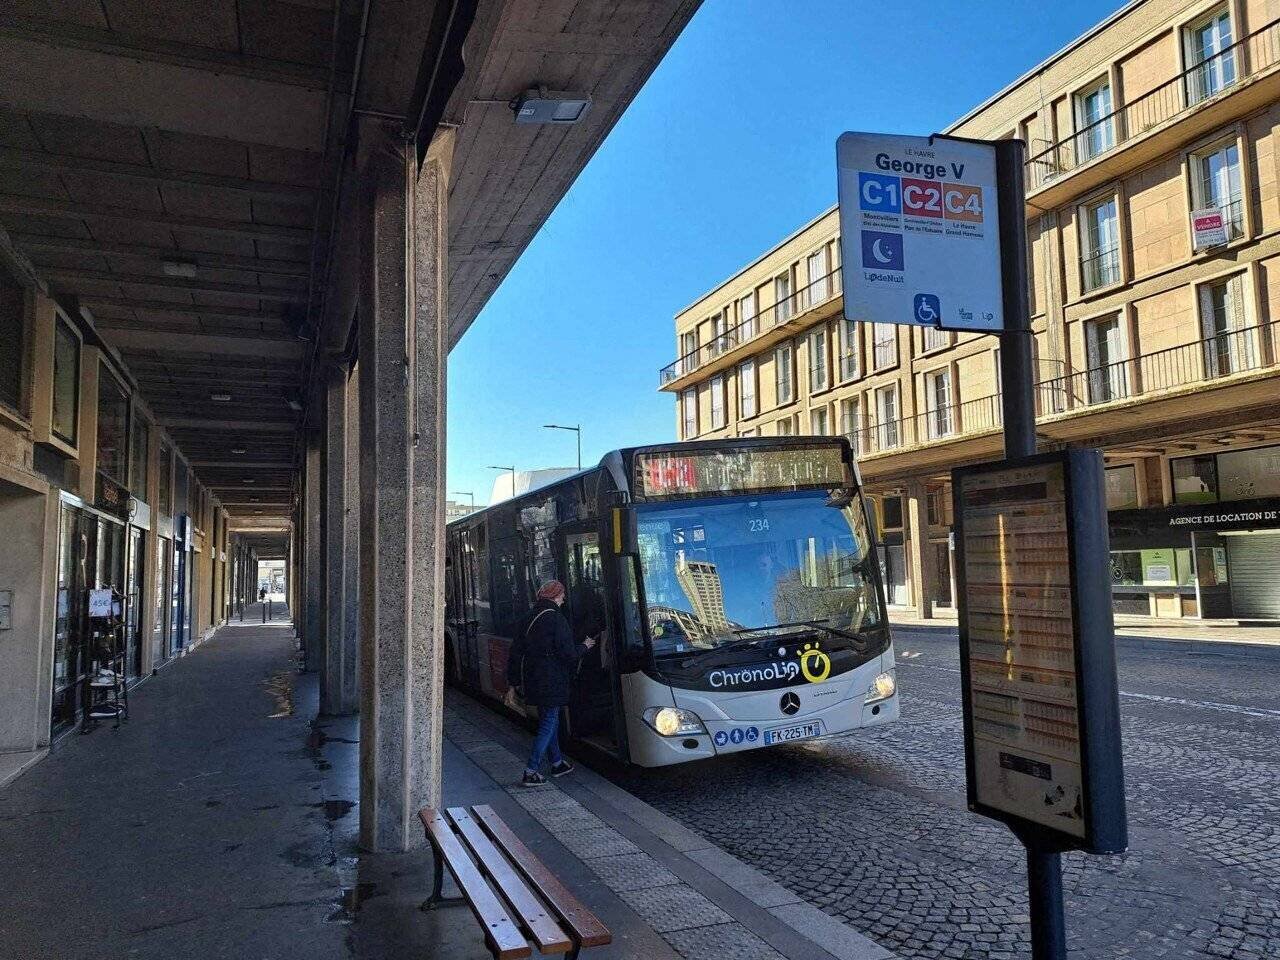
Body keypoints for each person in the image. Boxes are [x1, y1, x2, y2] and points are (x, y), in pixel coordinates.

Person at [507, 580, 595, 786]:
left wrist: (513, 682)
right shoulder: (556, 619)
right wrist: (585, 645)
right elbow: (569, 654)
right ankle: (531, 770)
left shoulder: (528, 617)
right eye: (562, 595)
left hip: (533, 677)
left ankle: (557, 763)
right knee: (548, 723)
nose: (564, 598)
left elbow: (515, 652)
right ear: (556, 596)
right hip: (551, 679)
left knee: (550, 718)